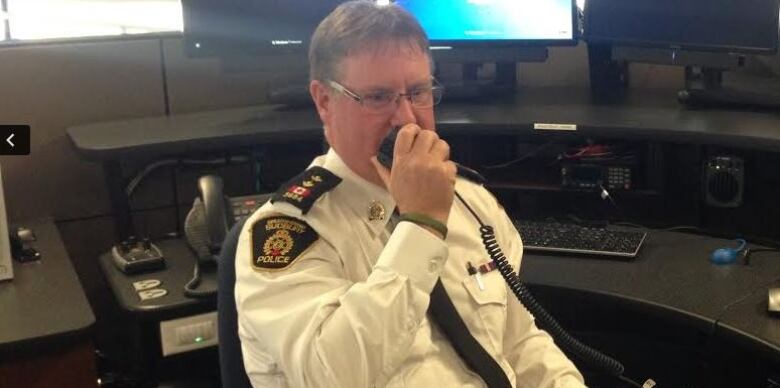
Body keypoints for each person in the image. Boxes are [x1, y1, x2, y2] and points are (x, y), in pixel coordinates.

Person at [235, 1, 586, 387]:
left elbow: (519, 344)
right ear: (324, 101)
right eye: (378, 97)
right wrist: (420, 225)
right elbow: (334, 375)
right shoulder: (286, 233)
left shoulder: (472, 202)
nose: (406, 118)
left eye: (418, 92)